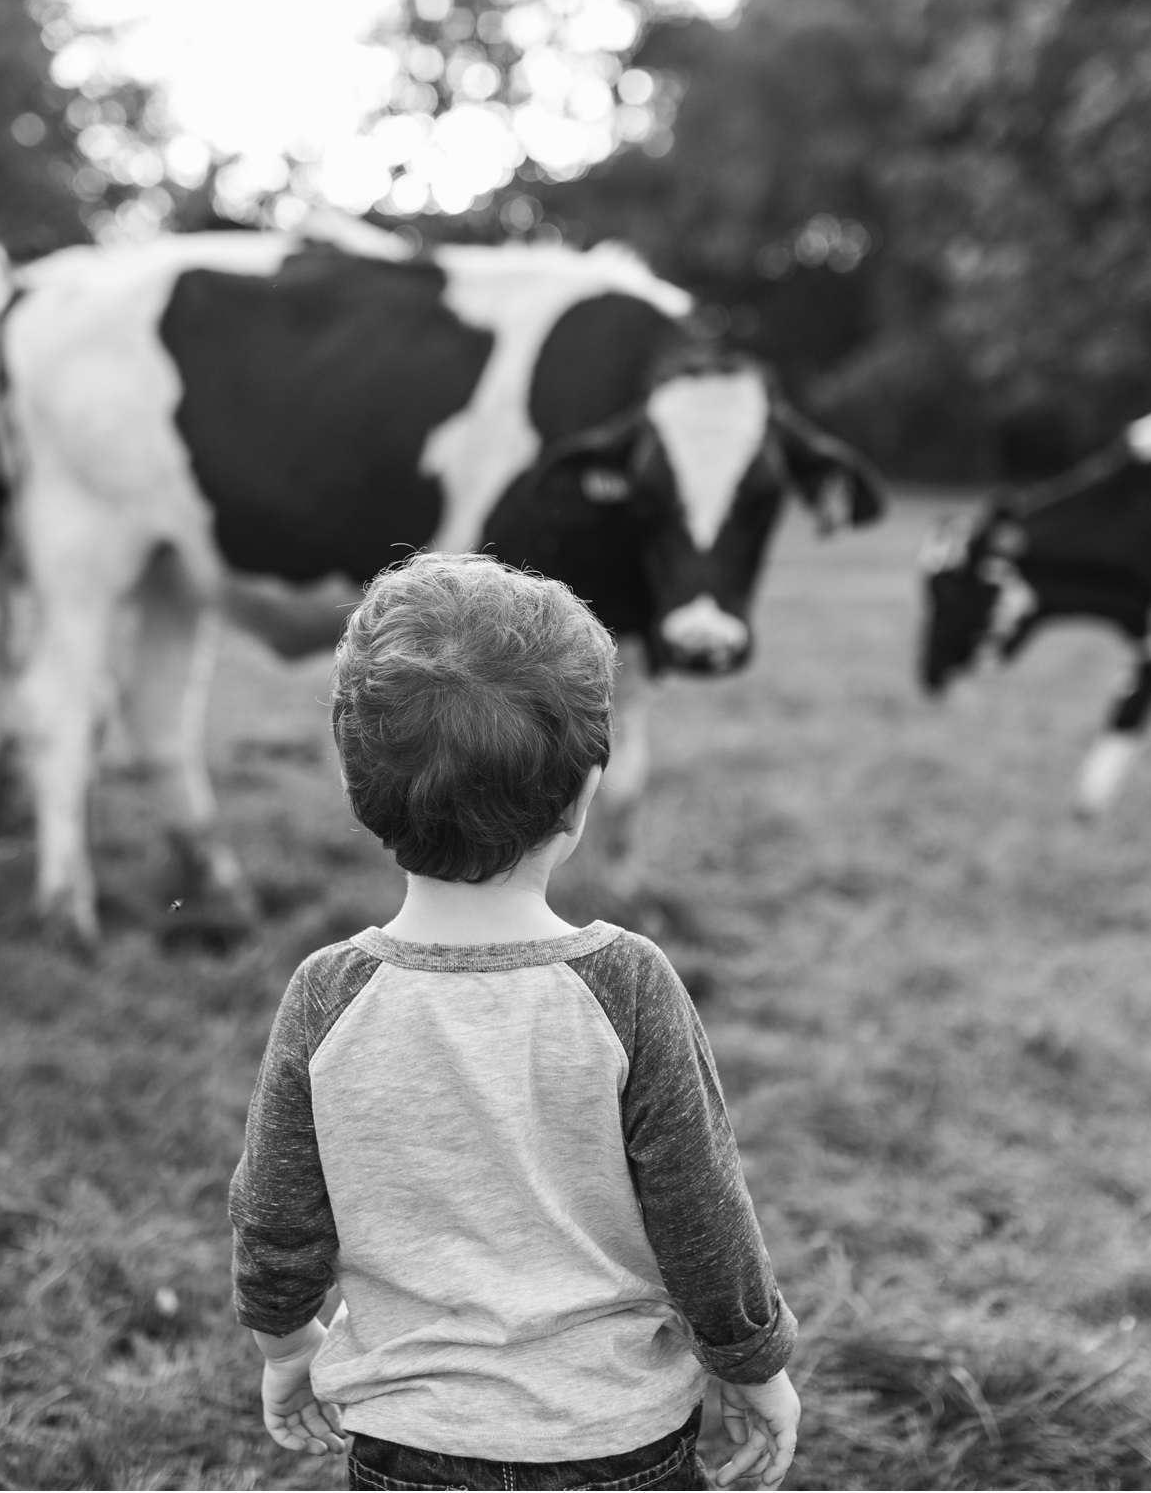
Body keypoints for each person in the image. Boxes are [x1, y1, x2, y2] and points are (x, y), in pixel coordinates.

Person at [229, 552, 801, 1492]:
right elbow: (702, 1212)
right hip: (622, 1443)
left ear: (356, 787)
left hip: (406, 1447)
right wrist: (754, 1363)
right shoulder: (628, 985)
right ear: (583, 794)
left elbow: (275, 1220)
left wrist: (289, 1345)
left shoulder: (327, 996)